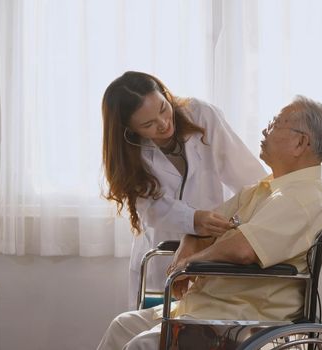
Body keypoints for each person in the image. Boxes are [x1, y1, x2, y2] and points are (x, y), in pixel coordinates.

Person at [97, 95, 322, 350]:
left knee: (142, 346)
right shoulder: (261, 190)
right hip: (206, 305)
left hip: (244, 316)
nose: (265, 130)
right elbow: (206, 226)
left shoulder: (302, 198)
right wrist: (189, 244)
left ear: (300, 142)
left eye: (275, 124)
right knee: (121, 326)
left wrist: (192, 262)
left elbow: (244, 250)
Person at [101, 71, 266, 309]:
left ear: (165, 94)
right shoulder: (128, 154)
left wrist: (270, 208)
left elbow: (244, 172)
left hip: (210, 247)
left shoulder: (201, 115)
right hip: (161, 253)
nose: (163, 124)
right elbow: (149, 207)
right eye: (148, 124)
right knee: (158, 334)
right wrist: (193, 219)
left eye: (163, 108)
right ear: (129, 130)